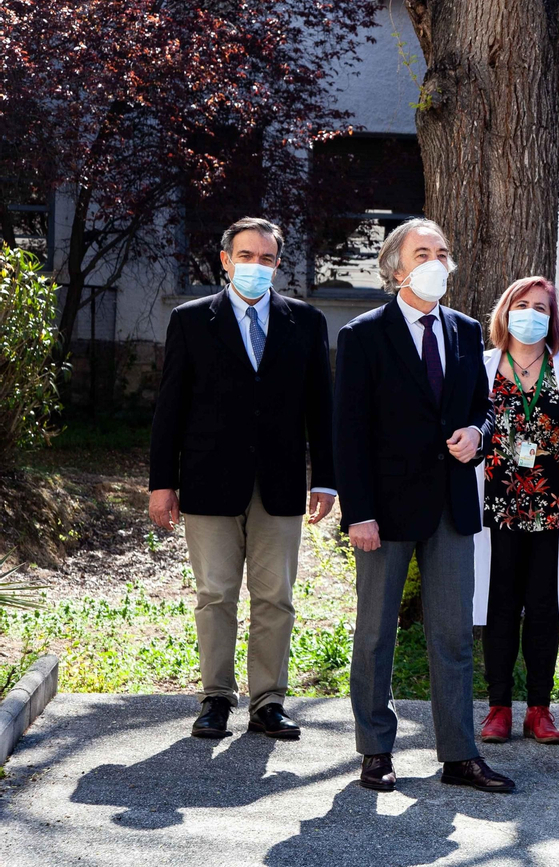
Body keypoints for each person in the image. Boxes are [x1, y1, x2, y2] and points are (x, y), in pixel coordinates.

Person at [333, 218, 512, 794]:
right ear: (396, 268)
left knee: (454, 635)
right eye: (422, 252)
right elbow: (348, 432)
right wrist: (357, 511)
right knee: (376, 634)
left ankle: (459, 755)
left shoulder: (463, 331)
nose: (435, 260)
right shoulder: (362, 335)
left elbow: (484, 408)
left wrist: (477, 435)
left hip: (452, 506)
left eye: (442, 251)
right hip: (382, 511)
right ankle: (375, 751)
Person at [148, 217, 335, 742]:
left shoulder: (305, 321)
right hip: (209, 480)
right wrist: (161, 482)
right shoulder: (190, 320)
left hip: (279, 483)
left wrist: (326, 479)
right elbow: (170, 408)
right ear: (226, 260)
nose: (257, 266)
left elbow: (322, 408)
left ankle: (269, 701)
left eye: (268, 258)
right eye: (247, 255)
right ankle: (215, 699)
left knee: (276, 596)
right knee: (215, 594)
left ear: (278, 264)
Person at [469, 277, 559, 745]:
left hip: (553, 507)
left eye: (541, 307)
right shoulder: (480, 366)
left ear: (553, 318)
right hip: (495, 507)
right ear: (505, 312)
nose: (531, 313)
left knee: (544, 608)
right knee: (499, 605)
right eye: (521, 305)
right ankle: (499, 707)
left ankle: (540, 709)